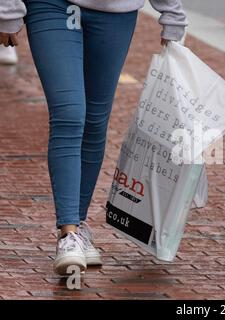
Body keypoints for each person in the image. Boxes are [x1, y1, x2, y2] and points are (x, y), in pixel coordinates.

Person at [0, 0, 187, 275]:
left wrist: (172, 13)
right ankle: (68, 233)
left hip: (116, 12)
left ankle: (79, 225)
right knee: (70, 114)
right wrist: (8, 7)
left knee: (95, 121)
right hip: (52, 5)